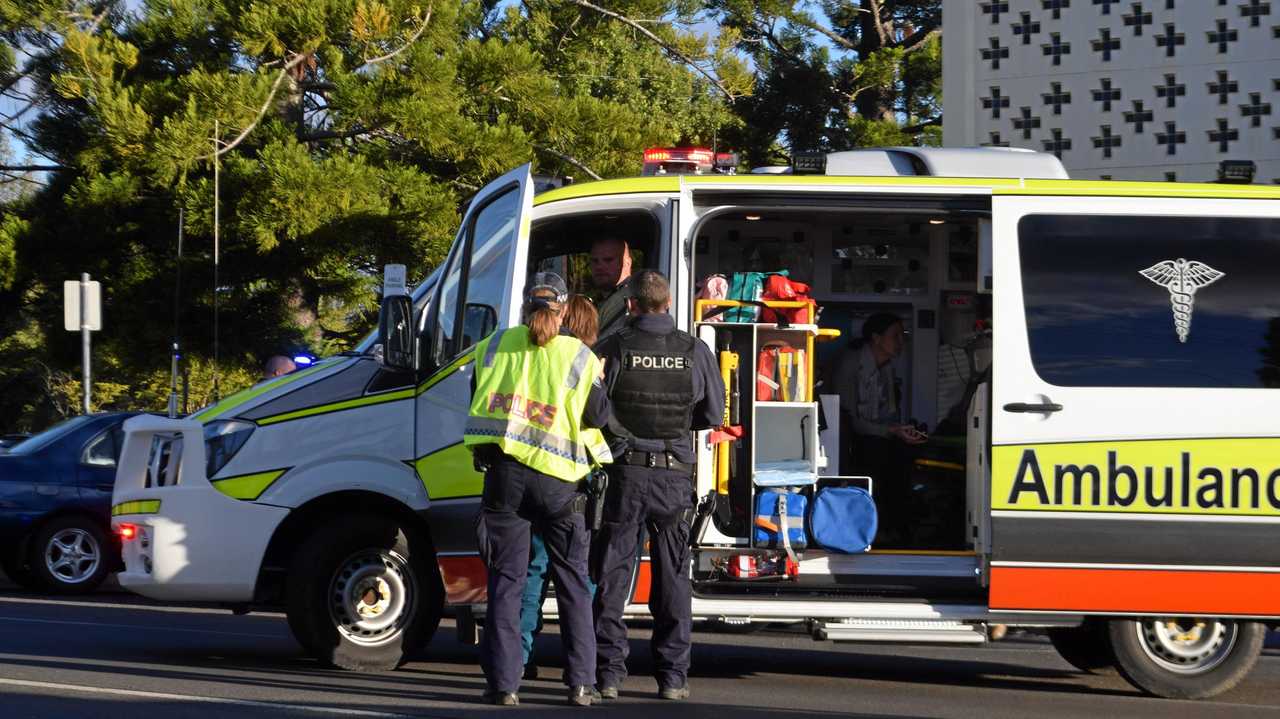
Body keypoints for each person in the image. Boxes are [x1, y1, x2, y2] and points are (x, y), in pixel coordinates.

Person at [464, 274, 613, 707]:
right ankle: (581, 684)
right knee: (572, 584)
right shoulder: (579, 356)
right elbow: (599, 416)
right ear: (563, 309)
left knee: (507, 583)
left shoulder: (493, 346)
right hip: (560, 483)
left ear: (527, 306)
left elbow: (478, 399)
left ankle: (503, 685)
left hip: (505, 479)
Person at [592, 270, 724, 701]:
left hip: (625, 473)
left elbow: (592, 406)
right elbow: (714, 414)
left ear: (631, 305)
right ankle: (672, 677)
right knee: (672, 579)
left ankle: (608, 674)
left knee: (614, 577)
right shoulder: (694, 349)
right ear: (668, 304)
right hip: (672, 475)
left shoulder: (614, 347)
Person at [519, 294, 599, 680]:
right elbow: (601, 421)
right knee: (579, 583)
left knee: (533, 573)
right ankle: (581, 669)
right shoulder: (587, 364)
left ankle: (519, 658)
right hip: (574, 488)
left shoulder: (544, 358)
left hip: (530, 479)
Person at [832, 312, 925, 545]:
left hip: (877, 435)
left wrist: (901, 430)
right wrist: (891, 431)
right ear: (876, 338)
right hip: (851, 438)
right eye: (895, 336)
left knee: (906, 456)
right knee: (879, 455)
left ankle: (897, 528)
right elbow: (849, 419)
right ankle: (875, 528)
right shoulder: (851, 363)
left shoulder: (887, 368)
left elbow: (888, 415)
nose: (901, 343)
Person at [589, 237, 633, 339]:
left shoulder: (634, 300)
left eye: (608, 260)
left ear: (627, 263)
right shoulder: (597, 300)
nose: (599, 266)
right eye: (595, 261)